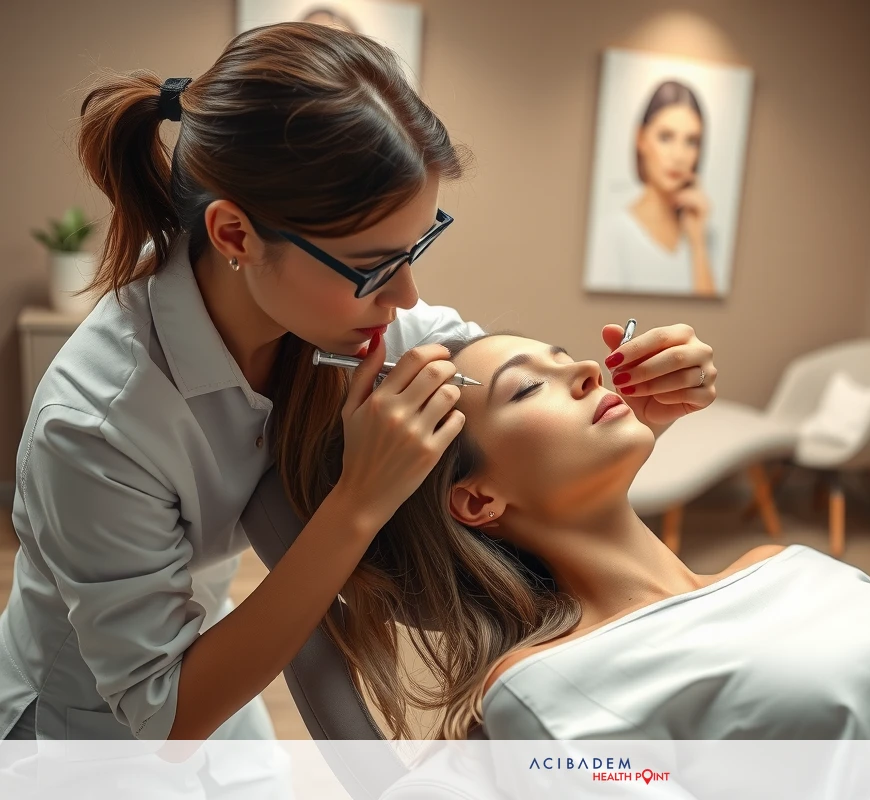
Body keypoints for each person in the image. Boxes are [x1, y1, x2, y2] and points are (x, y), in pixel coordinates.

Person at [0, 22, 718, 742]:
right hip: (84, 729)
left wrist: (645, 401)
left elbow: (492, 385)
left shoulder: (342, 316)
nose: (407, 297)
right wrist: (359, 503)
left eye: (417, 246)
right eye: (373, 266)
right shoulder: (96, 425)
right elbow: (167, 714)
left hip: (213, 651)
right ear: (234, 236)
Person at [285, 332, 870, 755]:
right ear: (478, 499)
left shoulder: (785, 564)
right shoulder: (547, 691)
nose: (588, 369)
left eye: (566, 354)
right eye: (530, 390)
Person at [586, 80, 717, 297]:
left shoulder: (705, 235)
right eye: (666, 137)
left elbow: (713, 318)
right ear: (641, 138)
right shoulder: (610, 234)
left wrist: (698, 243)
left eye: (691, 141)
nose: (678, 156)